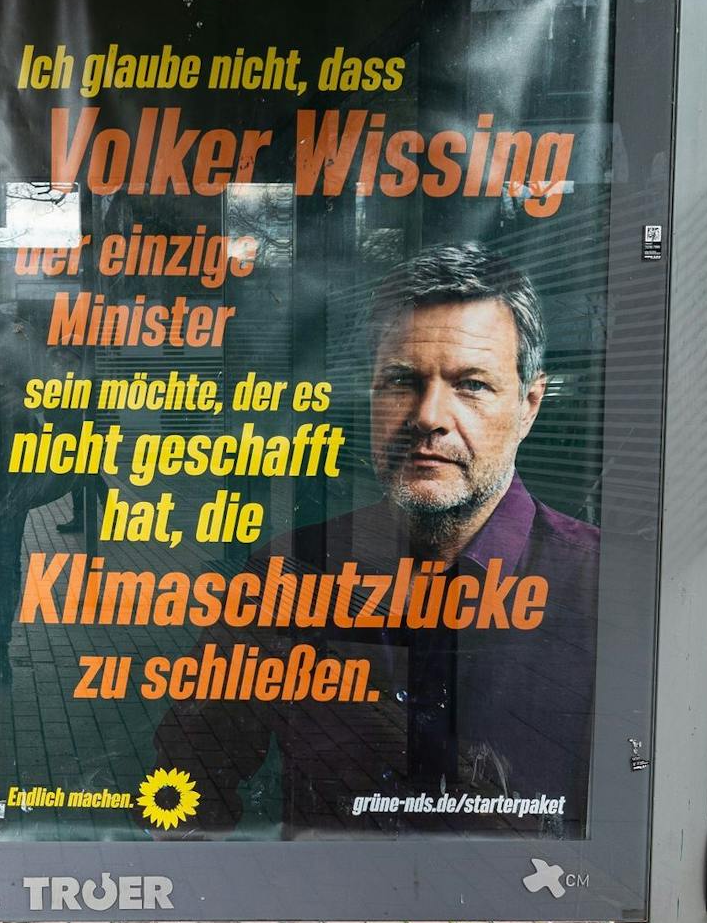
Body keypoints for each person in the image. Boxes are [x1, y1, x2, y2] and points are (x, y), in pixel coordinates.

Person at [154, 243, 600, 837]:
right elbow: (183, 789)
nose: (428, 416)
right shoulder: (289, 573)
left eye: (471, 385)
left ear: (529, 406)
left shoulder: (604, 590)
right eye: (400, 381)